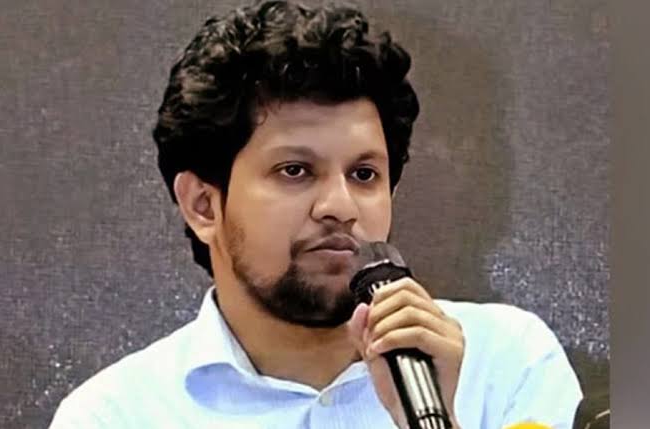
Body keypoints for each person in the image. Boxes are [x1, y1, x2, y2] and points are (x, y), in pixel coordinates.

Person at [49, 1, 582, 428]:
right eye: (295, 171)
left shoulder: (506, 362)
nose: (340, 207)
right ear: (203, 205)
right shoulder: (116, 415)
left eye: (364, 174)